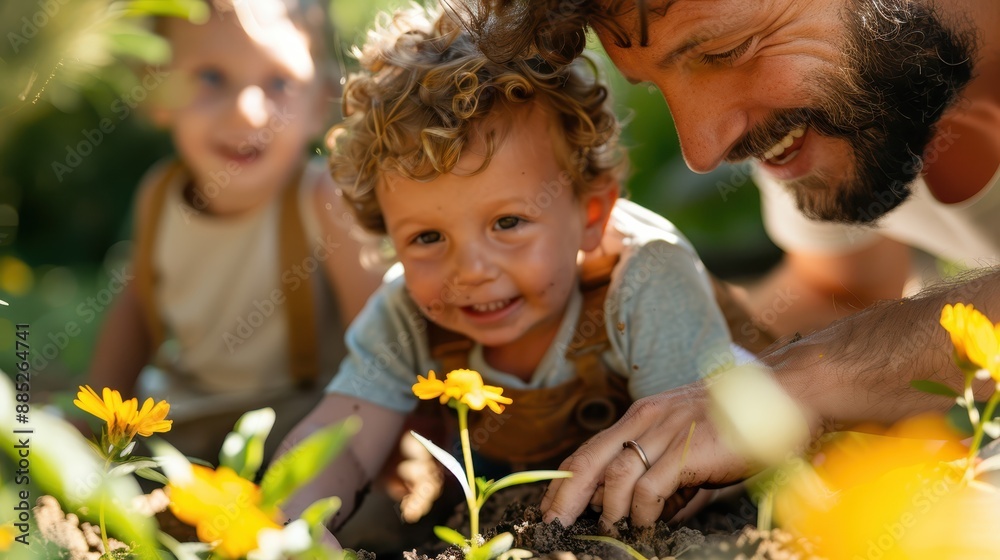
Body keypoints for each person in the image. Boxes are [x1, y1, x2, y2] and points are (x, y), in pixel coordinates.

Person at [455, 0, 1000, 532]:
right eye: (661, 86)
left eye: (727, 50)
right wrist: (675, 377)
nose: (702, 146)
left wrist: (808, 379)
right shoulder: (850, 86)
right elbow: (847, 286)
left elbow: (836, 357)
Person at [275, 3, 755, 534]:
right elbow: (338, 441)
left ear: (590, 215)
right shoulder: (404, 316)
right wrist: (295, 524)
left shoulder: (644, 280)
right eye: (427, 237)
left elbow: (682, 456)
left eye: (508, 222)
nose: (472, 270)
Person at [83, 0, 384, 461]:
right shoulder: (159, 195)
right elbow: (137, 307)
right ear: (156, 86)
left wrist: (385, 447)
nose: (247, 112)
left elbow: (377, 335)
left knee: (341, 496)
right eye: (211, 77)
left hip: (296, 415)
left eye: (279, 83)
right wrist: (96, 423)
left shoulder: (319, 199)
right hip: (184, 413)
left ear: (318, 102)